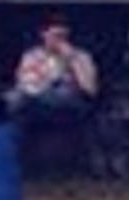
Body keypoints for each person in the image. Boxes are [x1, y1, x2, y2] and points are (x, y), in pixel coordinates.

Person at [10, 14, 99, 143]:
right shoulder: (32, 56)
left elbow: (90, 90)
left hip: (70, 104)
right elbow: (26, 84)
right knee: (15, 98)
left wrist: (72, 60)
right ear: (44, 35)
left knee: (64, 92)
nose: (60, 41)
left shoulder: (81, 56)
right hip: (38, 101)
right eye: (56, 36)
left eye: (63, 36)